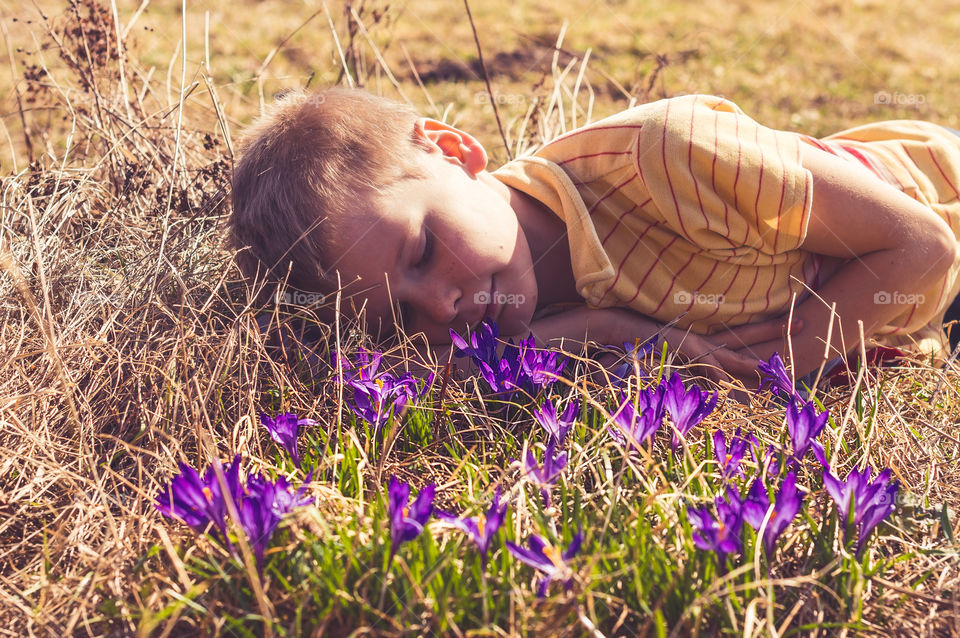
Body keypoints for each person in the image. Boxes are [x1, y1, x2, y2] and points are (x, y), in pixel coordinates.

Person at [229, 87, 960, 387]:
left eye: (419, 251)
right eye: (400, 316)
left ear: (453, 151)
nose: (441, 309)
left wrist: (780, 365)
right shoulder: (494, 324)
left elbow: (924, 248)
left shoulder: (672, 157)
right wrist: (609, 327)